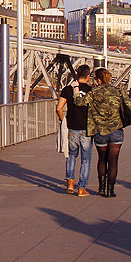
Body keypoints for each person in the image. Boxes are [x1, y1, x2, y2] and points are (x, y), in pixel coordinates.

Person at [73, 68, 129, 198]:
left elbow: (79, 102)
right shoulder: (118, 91)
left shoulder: (94, 91)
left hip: (100, 131)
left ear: (98, 79)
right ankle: (110, 190)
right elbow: (130, 106)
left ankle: (101, 187)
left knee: (102, 159)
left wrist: (76, 90)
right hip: (116, 130)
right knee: (113, 161)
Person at [55, 65, 93, 197]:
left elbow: (59, 108)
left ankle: (70, 182)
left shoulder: (67, 89)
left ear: (77, 74)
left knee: (71, 155)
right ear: (88, 76)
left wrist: (63, 121)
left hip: (71, 127)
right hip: (86, 129)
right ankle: (81, 188)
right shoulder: (91, 91)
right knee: (86, 159)